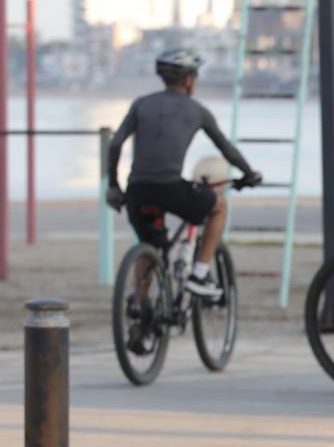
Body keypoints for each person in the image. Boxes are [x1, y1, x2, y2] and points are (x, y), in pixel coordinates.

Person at [106, 49, 260, 303]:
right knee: (218, 206)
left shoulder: (141, 104)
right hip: (170, 188)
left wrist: (113, 186)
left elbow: (114, 145)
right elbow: (226, 149)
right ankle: (199, 274)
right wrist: (249, 173)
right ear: (189, 80)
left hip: (136, 190)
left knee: (149, 246)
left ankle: (137, 311)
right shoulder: (197, 110)